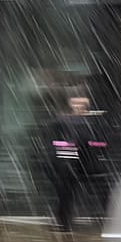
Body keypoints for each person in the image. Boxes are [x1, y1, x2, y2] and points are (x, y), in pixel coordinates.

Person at [49, 95, 106, 231]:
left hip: (78, 163)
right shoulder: (70, 121)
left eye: (80, 104)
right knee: (67, 193)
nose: (77, 106)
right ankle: (64, 222)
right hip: (78, 163)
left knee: (67, 193)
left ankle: (64, 222)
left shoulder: (67, 121)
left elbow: (96, 143)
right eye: (75, 103)